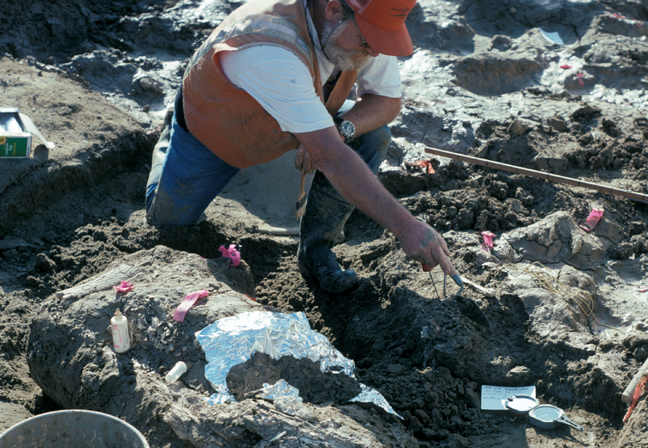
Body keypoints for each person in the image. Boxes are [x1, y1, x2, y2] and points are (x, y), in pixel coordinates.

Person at [145, 0, 455, 293]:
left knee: (373, 134)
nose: (373, 52)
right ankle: (170, 137)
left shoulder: (363, 25)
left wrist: (342, 130)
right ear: (334, 9)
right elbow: (330, 156)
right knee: (169, 226)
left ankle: (316, 251)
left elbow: (387, 101)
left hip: (295, 113)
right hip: (215, 127)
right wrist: (406, 227)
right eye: (366, 41)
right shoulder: (268, 44)